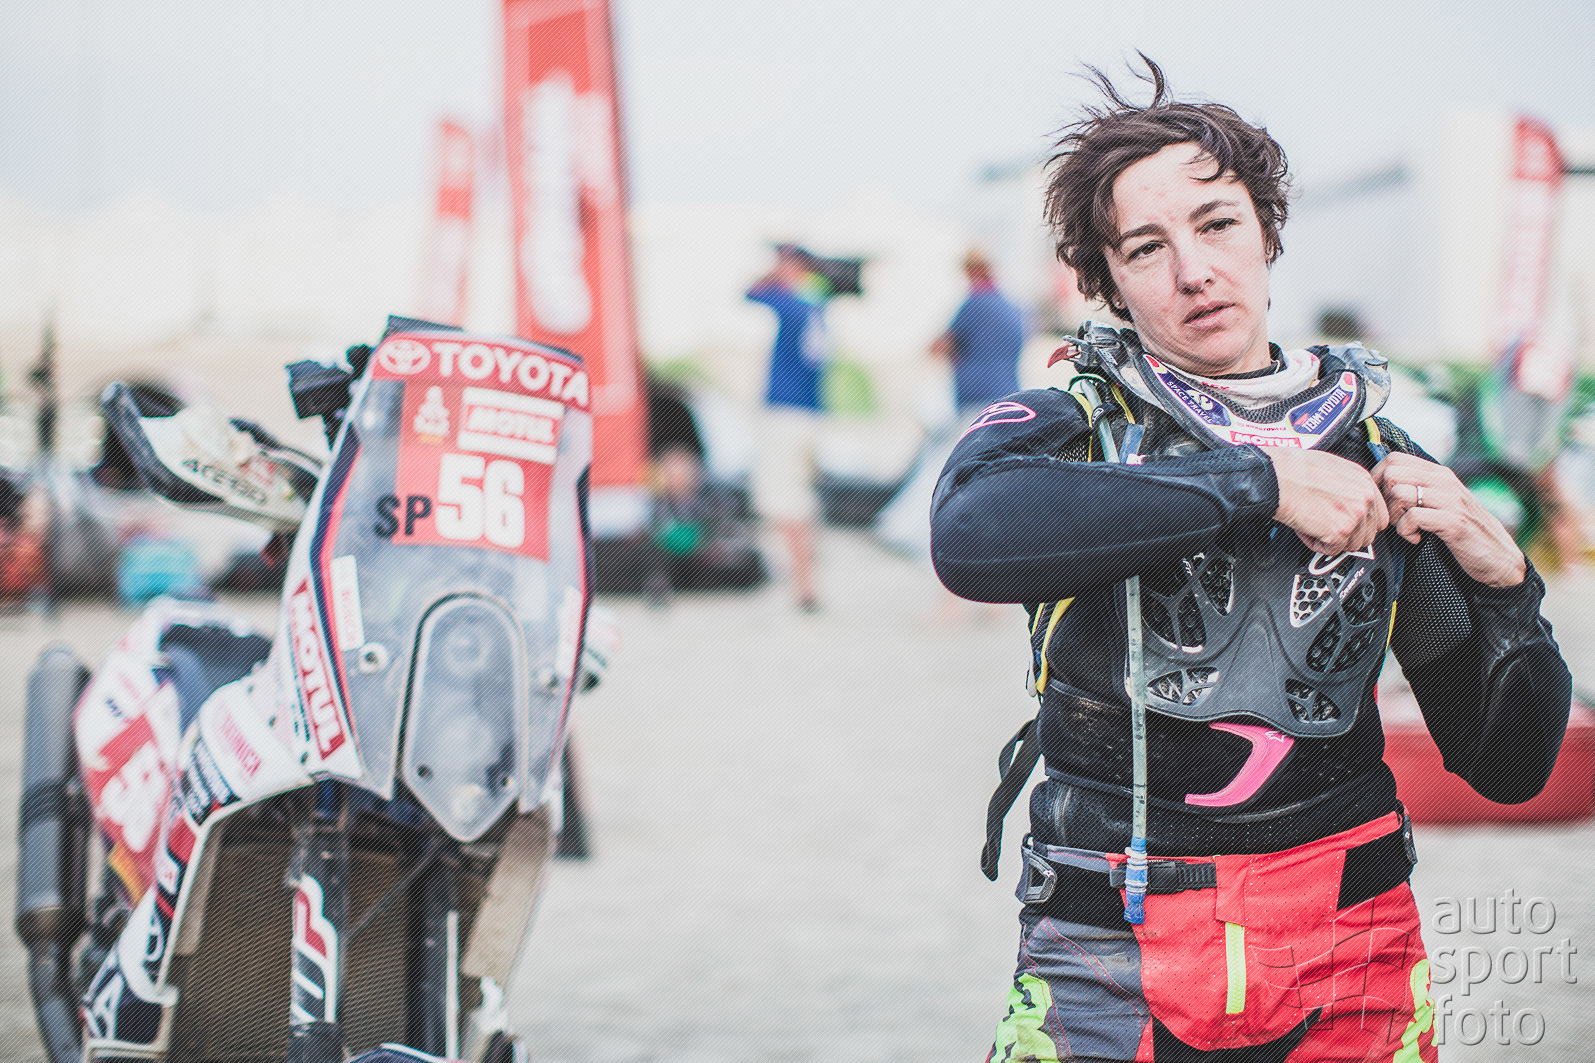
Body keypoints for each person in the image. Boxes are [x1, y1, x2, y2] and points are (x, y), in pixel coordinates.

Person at [931, 59, 1571, 1063]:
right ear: (1105, 282)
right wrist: (1262, 481)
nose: (1193, 271)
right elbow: (967, 536)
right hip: (1110, 944)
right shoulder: (1070, 429)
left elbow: (1508, 766)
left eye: (1217, 224)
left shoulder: (1378, 451)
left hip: (1353, 942)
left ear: (1267, 234)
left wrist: (1506, 590)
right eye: (1146, 247)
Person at [746, 244, 831, 610]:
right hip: (809, 415)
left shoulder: (792, 305)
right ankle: (806, 577)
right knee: (802, 498)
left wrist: (777, 272)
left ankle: (803, 583)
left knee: (784, 500)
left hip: (784, 415)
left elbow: (749, 292)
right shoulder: (817, 306)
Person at [932, 249, 1026, 420]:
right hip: (1010, 396)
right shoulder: (1011, 306)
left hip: (977, 400)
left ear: (972, 270)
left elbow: (940, 347)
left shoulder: (973, 304)